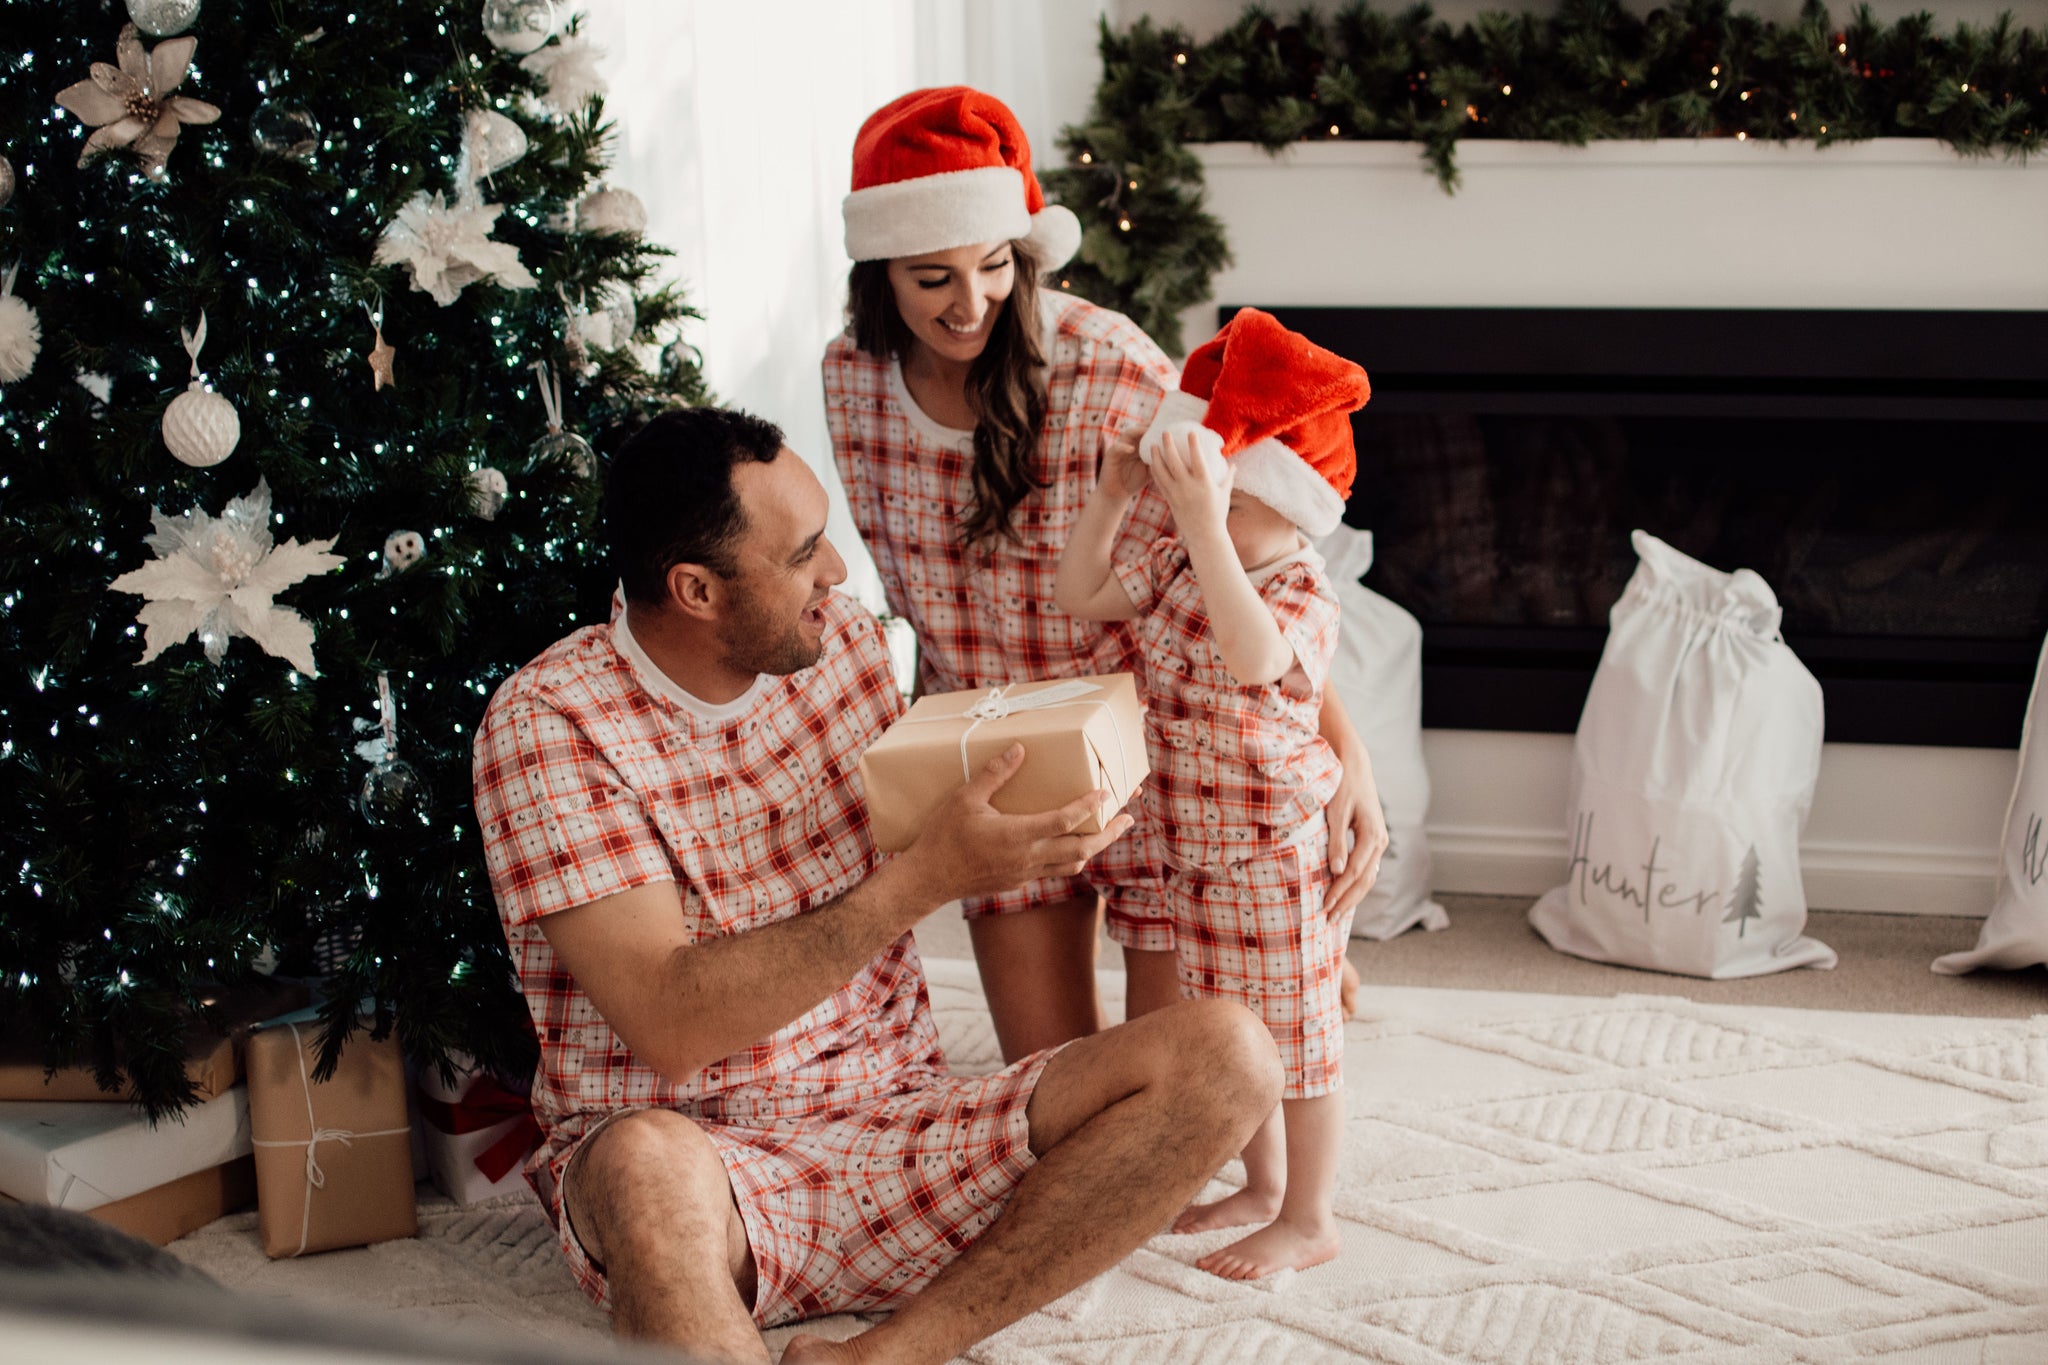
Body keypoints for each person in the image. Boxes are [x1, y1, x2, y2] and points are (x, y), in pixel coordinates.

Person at [471, 407, 1282, 1365]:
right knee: (645, 1167)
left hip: (902, 1125)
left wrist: (1048, 815)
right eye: (806, 553)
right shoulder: (549, 725)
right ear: (695, 589)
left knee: (1233, 1055)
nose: (840, 576)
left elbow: (1008, 751)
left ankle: (892, 1351)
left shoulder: (842, 644)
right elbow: (669, 1019)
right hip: (703, 1166)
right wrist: (926, 879)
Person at [823, 86, 1384, 1062]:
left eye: (994, 266)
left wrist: (1344, 755)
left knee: (1175, 1083)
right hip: (997, 758)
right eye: (930, 279)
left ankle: (1292, 947)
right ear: (879, 277)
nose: (969, 305)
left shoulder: (1109, 362)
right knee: (1055, 1087)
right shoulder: (850, 381)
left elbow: (1234, 566)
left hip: (1159, 754)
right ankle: (1286, 955)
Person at [1054, 309, 1372, 1279]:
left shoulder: (1297, 589)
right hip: (1188, 843)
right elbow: (1081, 593)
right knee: (1233, 1028)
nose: (1209, 519)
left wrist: (1205, 524)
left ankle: (1309, 1215)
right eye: (1208, 503)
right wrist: (1114, 497)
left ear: (1294, 503)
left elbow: (1253, 658)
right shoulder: (1186, 565)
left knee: (1299, 1036)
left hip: (1268, 848)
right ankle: (1265, 1186)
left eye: (1233, 503)